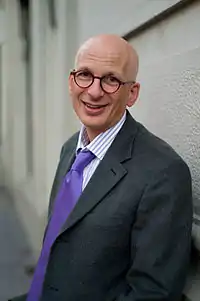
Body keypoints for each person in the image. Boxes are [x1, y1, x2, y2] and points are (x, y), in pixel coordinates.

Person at [10, 34, 192, 301]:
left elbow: (153, 294)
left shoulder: (163, 173)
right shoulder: (71, 148)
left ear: (132, 93)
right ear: (71, 82)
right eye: (85, 75)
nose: (94, 91)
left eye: (111, 80)